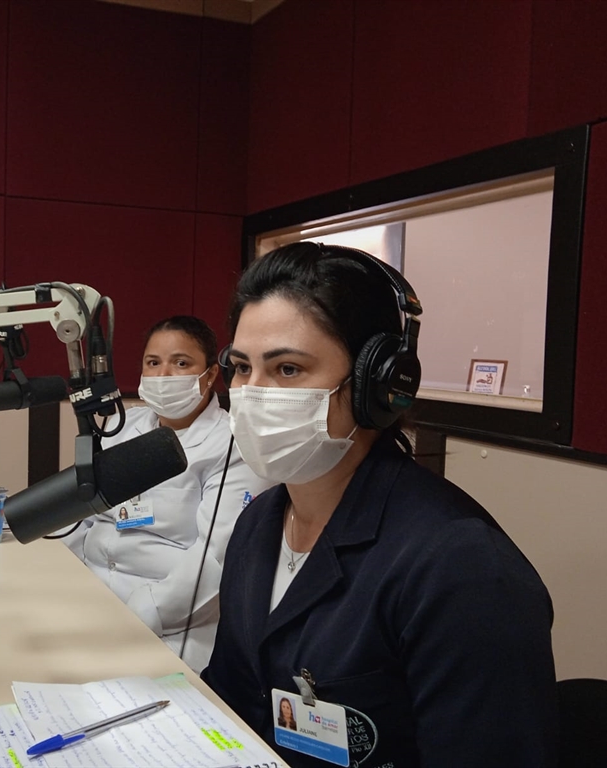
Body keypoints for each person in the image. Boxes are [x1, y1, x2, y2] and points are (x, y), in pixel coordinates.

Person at [201, 243, 558, 766]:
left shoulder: (462, 568)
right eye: (240, 368)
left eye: (288, 369)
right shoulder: (260, 523)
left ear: (381, 385)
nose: (252, 394)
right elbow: (233, 698)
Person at [65, 315, 270, 674]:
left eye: (181, 363)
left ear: (210, 374)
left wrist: (137, 617)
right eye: (153, 362)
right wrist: (60, 579)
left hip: (165, 623)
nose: (163, 376)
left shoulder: (231, 444)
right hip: (88, 602)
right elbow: (83, 516)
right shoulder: (122, 427)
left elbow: (216, 556)